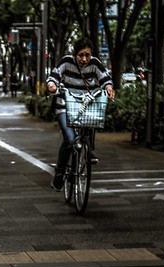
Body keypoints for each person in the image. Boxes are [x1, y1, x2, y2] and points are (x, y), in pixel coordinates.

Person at [46, 37, 115, 191]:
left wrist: (109, 88)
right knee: (70, 140)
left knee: (94, 120)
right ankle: (60, 173)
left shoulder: (95, 63)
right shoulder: (66, 62)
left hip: (86, 107)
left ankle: (88, 150)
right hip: (64, 107)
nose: (84, 59)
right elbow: (54, 76)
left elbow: (105, 79)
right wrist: (52, 85)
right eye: (81, 55)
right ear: (74, 54)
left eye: (87, 55)